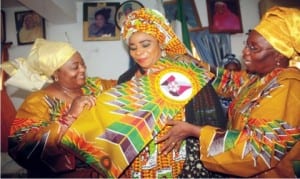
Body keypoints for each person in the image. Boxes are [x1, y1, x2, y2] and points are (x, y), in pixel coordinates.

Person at [159, 6, 300, 177]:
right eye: (246, 44)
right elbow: (229, 81)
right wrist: (190, 61)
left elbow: (255, 150)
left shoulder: (287, 88)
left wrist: (196, 131)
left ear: (279, 55)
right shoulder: (258, 78)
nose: (244, 52)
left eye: (254, 48)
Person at [118, 8, 229, 178]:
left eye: (145, 44)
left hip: (182, 161)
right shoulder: (126, 78)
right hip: (138, 164)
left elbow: (212, 119)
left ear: (160, 42)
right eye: (132, 47)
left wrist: (190, 130)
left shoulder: (184, 72)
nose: (138, 52)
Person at [7, 38, 116, 177]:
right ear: (55, 73)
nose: (83, 69)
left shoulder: (94, 86)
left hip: (104, 169)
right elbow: (20, 146)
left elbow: (124, 87)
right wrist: (70, 116)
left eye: (83, 64)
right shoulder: (38, 101)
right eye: (75, 67)